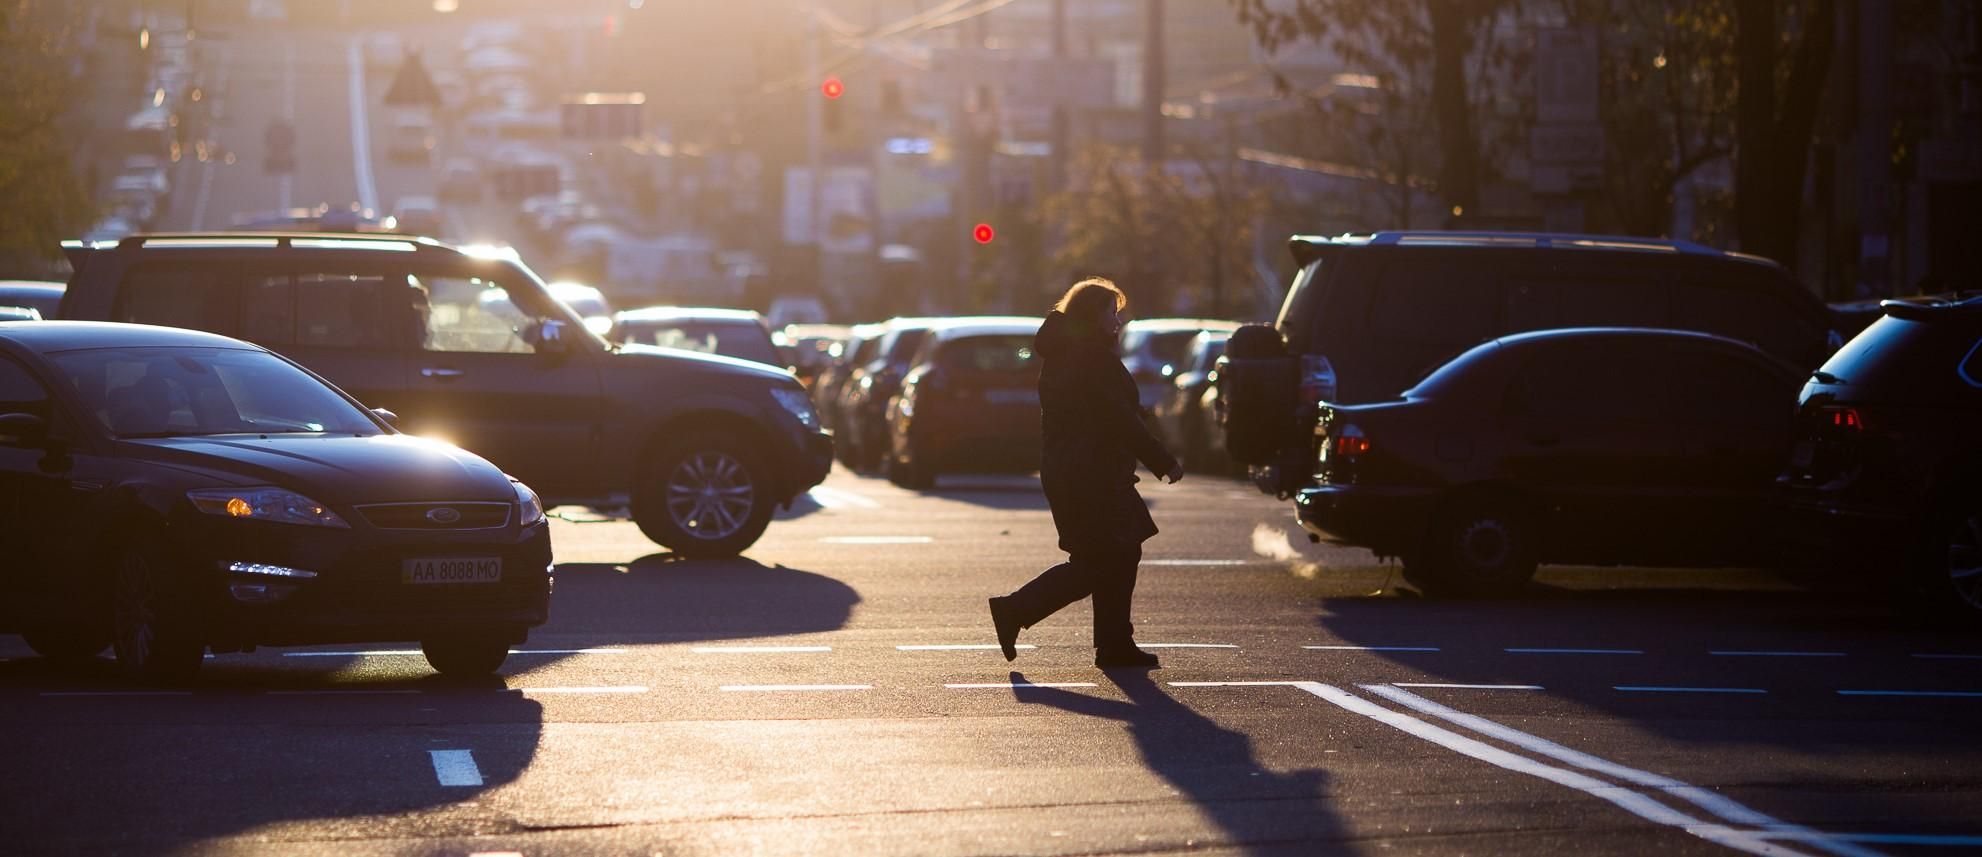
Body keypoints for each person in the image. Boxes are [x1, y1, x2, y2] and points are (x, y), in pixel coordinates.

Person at [989, 278, 1184, 669]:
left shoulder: (1065, 353)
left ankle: (1113, 643)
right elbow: (1117, 418)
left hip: (1076, 470)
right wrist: (1161, 459)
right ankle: (1017, 610)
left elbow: (1101, 412)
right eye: (1112, 313)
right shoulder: (1091, 357)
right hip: (1091, 473)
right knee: (1103, 559)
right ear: (1093, 315)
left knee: (1115, 552)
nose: (1118, 321)